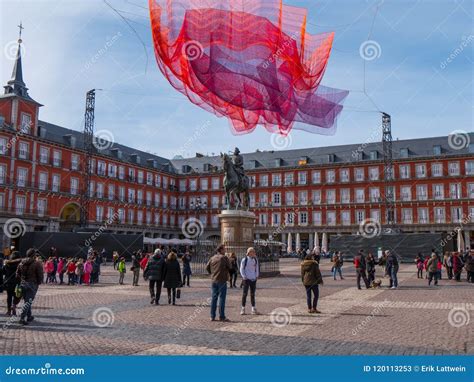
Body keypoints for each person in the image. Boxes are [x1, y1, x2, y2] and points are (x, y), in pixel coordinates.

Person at [16, 248, 43, 325]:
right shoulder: (37, 263)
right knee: (28, 302)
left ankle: (29, 316)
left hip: (23, 284)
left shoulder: (21, 262)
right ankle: (22, 318)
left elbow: (17, 274)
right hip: (32, 284)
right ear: (33, 255)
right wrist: (38, 283)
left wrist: (22, 280)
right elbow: (40, 275)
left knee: (27, 301)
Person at [206, 244, 231, 322]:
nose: (225, 250)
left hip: (214, 280)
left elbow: (207, 267)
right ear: (221, 250)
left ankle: (212, 316)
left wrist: (212, 274)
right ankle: (222, 316)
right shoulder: (224, 258)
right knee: (222, 299)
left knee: (214, 298)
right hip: (222, 280)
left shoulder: (212, 258)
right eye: (224, 249)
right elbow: (230, 267)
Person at [240, 247, 259, 315]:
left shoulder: (255, 260)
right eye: (253, 252)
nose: (254, 253)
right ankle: (243, 308)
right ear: (249, 252)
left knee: (252, 294)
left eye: (254, 251)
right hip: (246, 279)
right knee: (245, 294)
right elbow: (241, 269)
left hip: (253, 279)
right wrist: (244, 277)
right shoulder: (244, 260)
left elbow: (257, 268)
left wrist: (256, 276)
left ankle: (253, 308)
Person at [3, 251, 21, 316]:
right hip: (17, 282)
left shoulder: (7, 263)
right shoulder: (20, 264)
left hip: (8, 283)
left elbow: (3, 272)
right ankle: (14, 308)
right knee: (16, 296)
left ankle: (8, 311)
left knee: (9, 297)